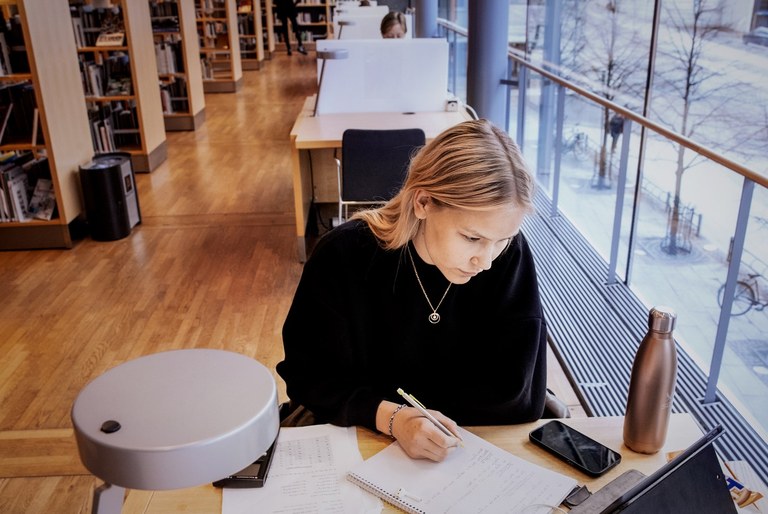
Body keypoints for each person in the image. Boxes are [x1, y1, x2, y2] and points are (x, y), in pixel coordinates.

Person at [277, 119, 548, 463]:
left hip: (469, 450)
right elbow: (308, 377)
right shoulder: (343, 257)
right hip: (360, 440)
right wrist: (392, 418)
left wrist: (396, 407)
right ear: (423, 202)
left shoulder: (510, 256)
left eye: (502, 240)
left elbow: (518, 391)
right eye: (472, 238)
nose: (486, 262)